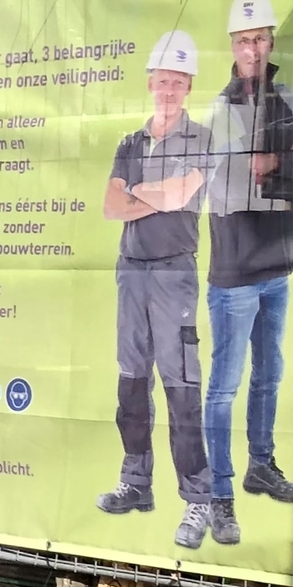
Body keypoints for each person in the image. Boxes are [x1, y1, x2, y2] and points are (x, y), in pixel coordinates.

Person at [204, 0, 293, 539]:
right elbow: (243, 175)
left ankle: (261, 465)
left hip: (278, 265)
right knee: (226, 384)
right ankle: (219, 491)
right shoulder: (222, 107)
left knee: (270, 375)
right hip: (235, 271)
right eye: (243, 41)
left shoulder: (289, 95)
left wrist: (280, 157)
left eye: (260, 39)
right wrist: (288, 156)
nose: (252, 49)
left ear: (270, 40)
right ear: (232, 46)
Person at [97, 32, 216, 547]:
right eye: (161, 80)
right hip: (131, 271)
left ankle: (197, 499)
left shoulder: (202, 139)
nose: (167, 89)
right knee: (130, 381)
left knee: (181, 383)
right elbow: (110, 207)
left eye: (177, 81)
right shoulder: (130, 142)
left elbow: (183, 193)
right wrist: (156, 197)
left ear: (188, 86)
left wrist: (142, 194)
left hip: (173, 272)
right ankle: (136, 481)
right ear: (150, 83)